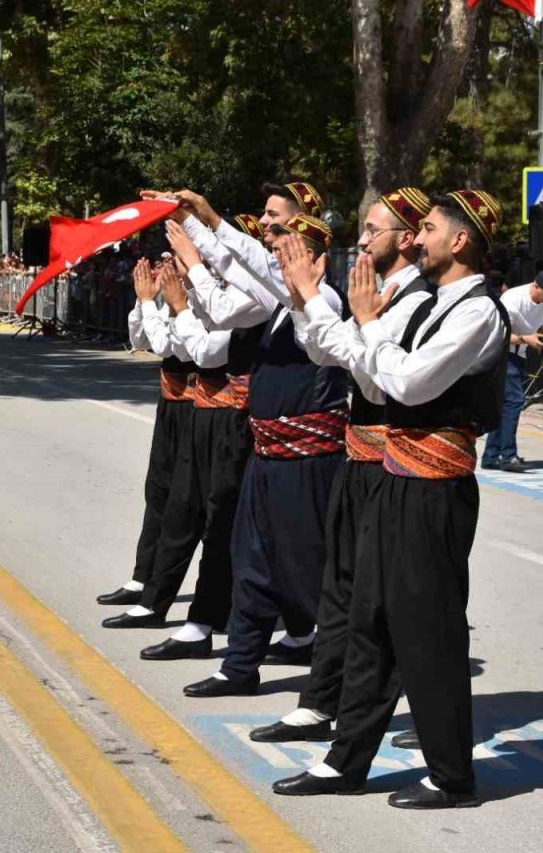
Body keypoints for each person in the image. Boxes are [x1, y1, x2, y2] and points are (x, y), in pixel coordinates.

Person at [273, 190, 509, 809]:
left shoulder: (477, 312)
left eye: (428, 229)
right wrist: (324, 305)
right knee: (370, 625)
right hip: (396, 478)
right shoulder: (437, 304)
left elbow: (405, 383)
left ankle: (453, 777)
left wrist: (368, 323)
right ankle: (345, 762)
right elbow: (372, 373)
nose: (417, 238)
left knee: (427, 634)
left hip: (434, 491)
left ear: (460, 242)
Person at [250, 187, 435, 745]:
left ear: (404, 239)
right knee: (340, 587)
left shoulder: (419, 301)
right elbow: (327, 353)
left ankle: (427, 710)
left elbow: (381, 378)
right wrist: (308, 300)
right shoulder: (374, 292)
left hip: (398, 463)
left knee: (393, 598)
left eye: (371, 230)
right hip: (361, 455)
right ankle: (319, 702)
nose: (360, 239)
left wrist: (334, 310)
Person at [165, 183, 348, 697]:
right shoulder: (280, 305)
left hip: (307, 460)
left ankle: (347, 672)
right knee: (252, 563)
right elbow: (243, 267)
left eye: (293, 251)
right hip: (268, 456)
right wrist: (197, 224)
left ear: (317, 260)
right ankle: (239, 667)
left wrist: (207, 220)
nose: (280, 258)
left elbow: (256, 267)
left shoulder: (324, 301)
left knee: (309, 572)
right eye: (280, 249)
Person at [125, 238, 265, 661]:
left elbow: (200, 352)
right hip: (198, 411)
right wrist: (150, 302)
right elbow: (153, 342)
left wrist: (177, 305)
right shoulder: (197, 299)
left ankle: (212, 616)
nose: (179, 267)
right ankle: (154, 597)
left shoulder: (245, 304)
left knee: (218, 519)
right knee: (179, 506)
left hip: (227, 419)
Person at [96, 259, 201, 615]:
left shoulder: (201, 301)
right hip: (170, 404)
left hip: (197, 407)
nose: (165, 267)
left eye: (175, 261)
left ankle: (163, 593)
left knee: (184, 504)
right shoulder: (170, 300)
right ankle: (142, 578)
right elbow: (139, 339)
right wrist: (146, 301)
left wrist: (152, 302)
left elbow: (168, 345)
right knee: (157, 491)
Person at [481, 269, 543, 471]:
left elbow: (541, 328)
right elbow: (499, 333)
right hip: (501, 351)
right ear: (535, 286)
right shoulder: (512, 300)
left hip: (520, 354)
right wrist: (524, 339)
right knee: (515, 400)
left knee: (505, 405)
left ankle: (491, 456)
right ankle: (508, 455)